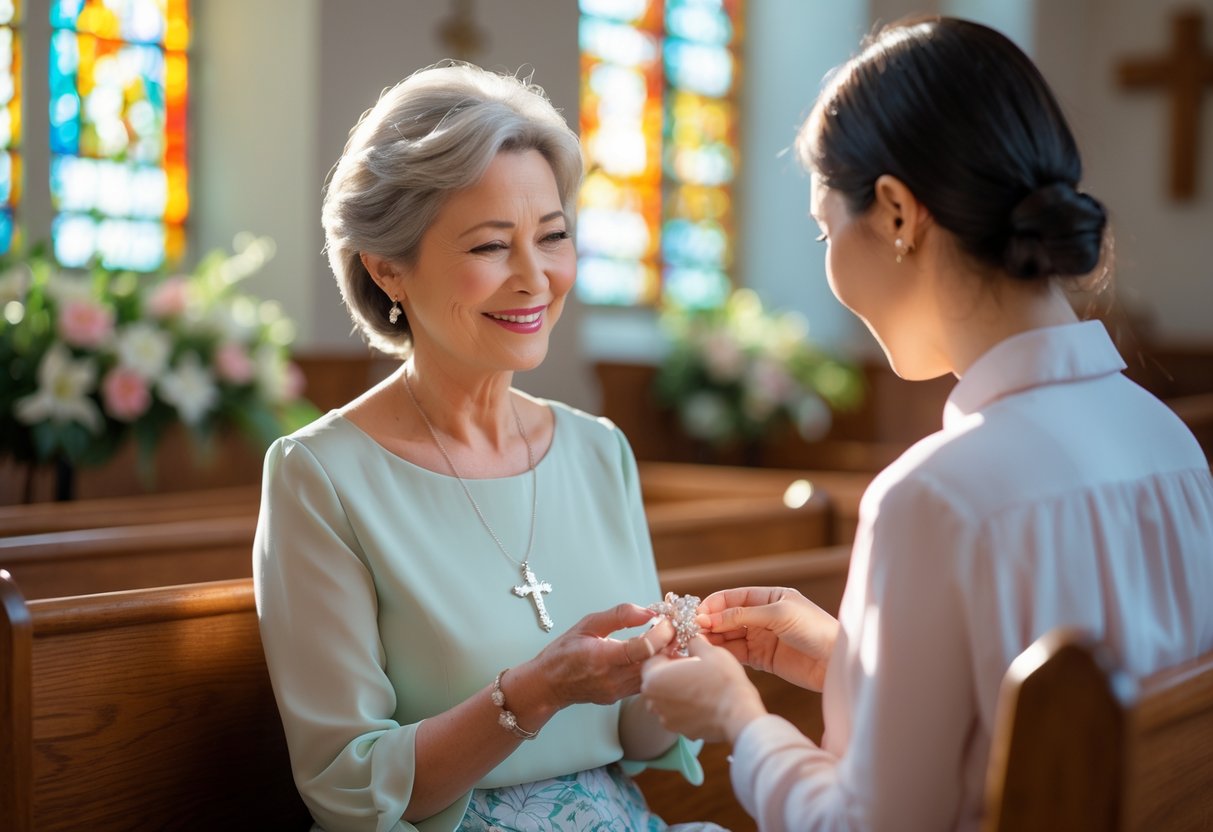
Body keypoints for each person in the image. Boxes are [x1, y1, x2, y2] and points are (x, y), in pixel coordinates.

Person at [639, 16, 1213, 832]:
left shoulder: (935, 498)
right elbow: (1046, 731)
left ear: (898, 213)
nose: (826, 260)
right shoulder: (1171, 446)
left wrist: (738, 717)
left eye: (822, 228)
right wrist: (852, 662)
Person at [253, 63, 723, 832]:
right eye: (490, 247)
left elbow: (634, 740)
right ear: (387, 269)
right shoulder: (320, 475)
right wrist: (534, 691)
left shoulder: (599, 450)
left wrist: (680, 668)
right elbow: (345, 787)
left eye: (553, 237)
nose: (535, 279)